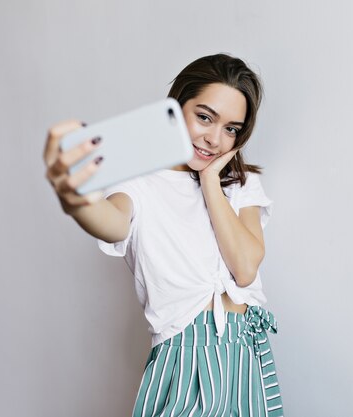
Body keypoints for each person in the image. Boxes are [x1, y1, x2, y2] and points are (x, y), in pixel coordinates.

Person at [43, 53, 284, 417]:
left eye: (231, 128)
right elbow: (113, 221)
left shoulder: (241, 185)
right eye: (205, 117)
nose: (215, 138)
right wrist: (77, 199)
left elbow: (245, 268)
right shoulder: (139, 184)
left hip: (247, 353)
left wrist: (209, 182)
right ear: (176, 107)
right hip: (185, 357)